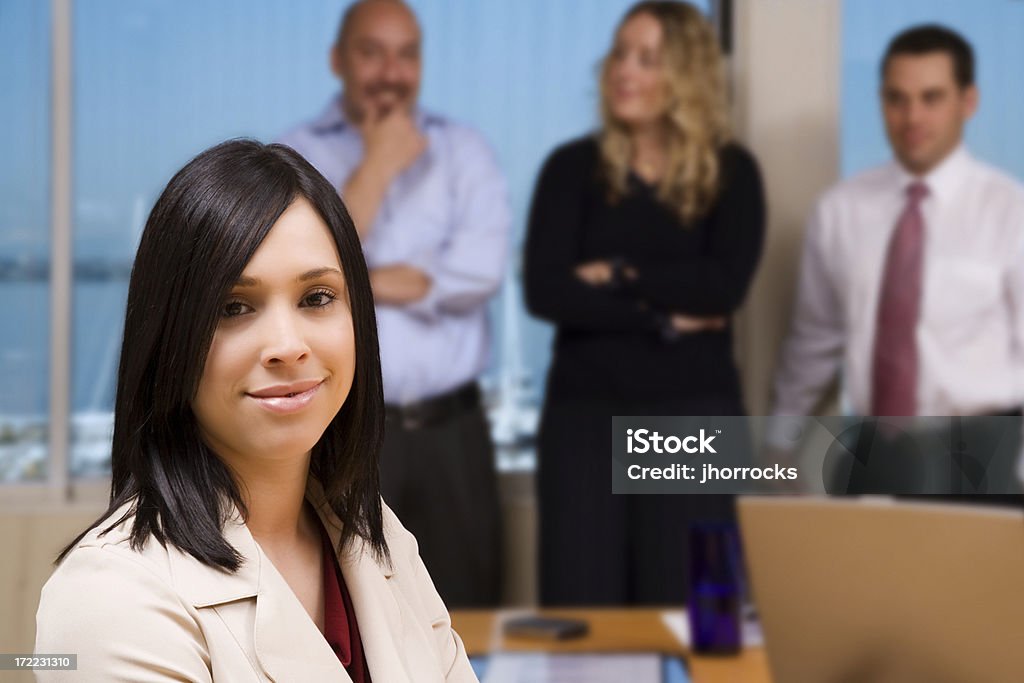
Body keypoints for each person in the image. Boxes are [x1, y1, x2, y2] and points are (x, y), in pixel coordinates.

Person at [34, 140, 477, 682]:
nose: (287, 346)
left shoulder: (374, 533)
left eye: (317, 297)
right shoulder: (111, 599)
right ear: (171, 337)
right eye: (234, 307)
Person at [524, 0, 765, 605]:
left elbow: (722, 289)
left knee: (698, 611)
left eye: (647, 58)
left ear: (685, 75)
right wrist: (664, 316)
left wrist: (619, 272)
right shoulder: (570, 169)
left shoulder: (732, 174)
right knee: (584, 609)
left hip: (696, 420)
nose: (623, 70)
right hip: (584, 419)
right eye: (620, 54)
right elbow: (547, 289)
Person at [278, 0, 508, 608]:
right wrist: (376, 167)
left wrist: (351, 282)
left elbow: (479, 274)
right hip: (343, 432)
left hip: (452, 435)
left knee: (468, 616)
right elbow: (292, 272)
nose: (391, 71)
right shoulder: (291, 158)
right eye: (371, 52)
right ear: (337, 60)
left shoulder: (464, 151)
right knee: (346, 620)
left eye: (406, 54)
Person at [771, 25, 1024, 496]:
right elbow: (813, 344)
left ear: (968, 102)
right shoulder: (839, 211)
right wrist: (779, 445)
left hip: (987, 458)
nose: (912, 116)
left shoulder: (1011, 212)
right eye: (896, 98)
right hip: (876, 455)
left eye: (932, 98)